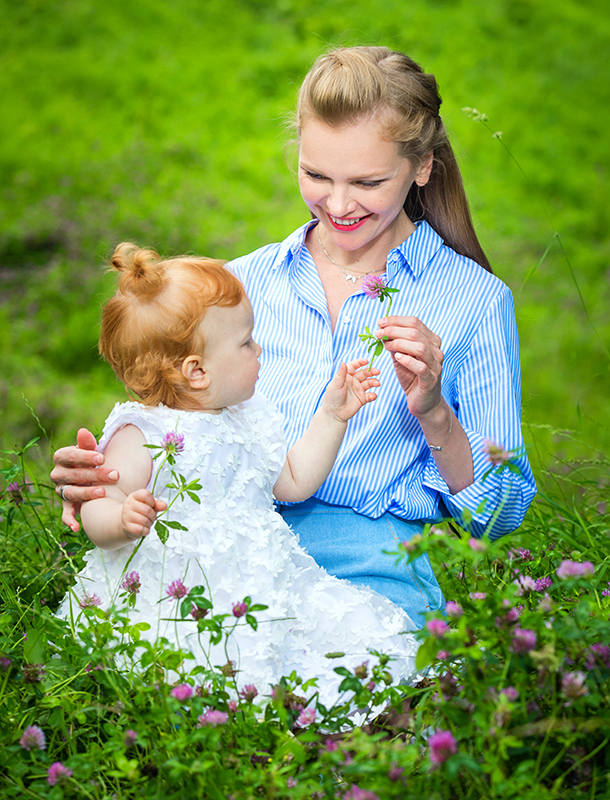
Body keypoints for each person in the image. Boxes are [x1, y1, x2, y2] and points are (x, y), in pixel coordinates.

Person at [52, 46, 536, 628]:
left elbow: (500, 512)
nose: (337, 204)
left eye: (367, 182)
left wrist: (434, 412)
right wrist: (106, 482)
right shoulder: (237, 286)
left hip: (369, 564)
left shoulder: (474, 301)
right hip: (220, 555)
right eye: (315, 175)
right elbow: (174, 425)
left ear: (423, 167)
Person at [57, 243, 419, 706]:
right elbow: (98, 505)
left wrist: (332, 416)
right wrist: (122, 518)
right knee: (201, 660)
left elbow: (292, 480)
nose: (259, 348)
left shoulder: (246, 415)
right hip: (177, 587)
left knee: (305, 640)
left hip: (257, 577)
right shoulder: (142, 432)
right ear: (198, 371)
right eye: (246, 341)